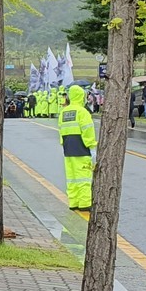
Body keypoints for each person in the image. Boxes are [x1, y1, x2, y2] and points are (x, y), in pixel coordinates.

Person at [58, 83, 98, 212]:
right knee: (83, 177)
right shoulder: (82, 112)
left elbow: (61, 131)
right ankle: (84, 203)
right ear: (81, 96)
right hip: (81, 149)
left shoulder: (64, 112)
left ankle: (73, 202)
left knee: (72, 178)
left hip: (68, 149)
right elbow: (87, 130)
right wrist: (91, 147)